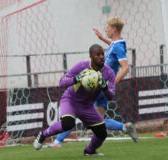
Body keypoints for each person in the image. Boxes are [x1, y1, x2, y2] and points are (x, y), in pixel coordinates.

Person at [48, 17, 138, 148]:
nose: (105, 29)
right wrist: (102, 38)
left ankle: (58, 141)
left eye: (107, 27)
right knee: (97, 121)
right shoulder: (117, 43)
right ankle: (124, 127)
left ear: (114, 29)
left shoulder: (118, 46)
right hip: (99, 85)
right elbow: (113, 48)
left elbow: (125, 67)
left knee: (76, 109)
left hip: (98, 86)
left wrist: (111, 83)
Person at [33, 44, 115, 156]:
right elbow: (62, 82)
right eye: (97, 54)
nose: (101, 57)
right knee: (68, 123)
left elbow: (111, 96)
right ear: (91, 56)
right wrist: (76, 79)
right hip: (70, 100)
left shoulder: (109, 72)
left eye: (102, 54)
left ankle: (89, 151)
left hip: (87, 106)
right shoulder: (81, 66)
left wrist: (104, 87)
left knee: (102, 133)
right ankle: (43, 135)